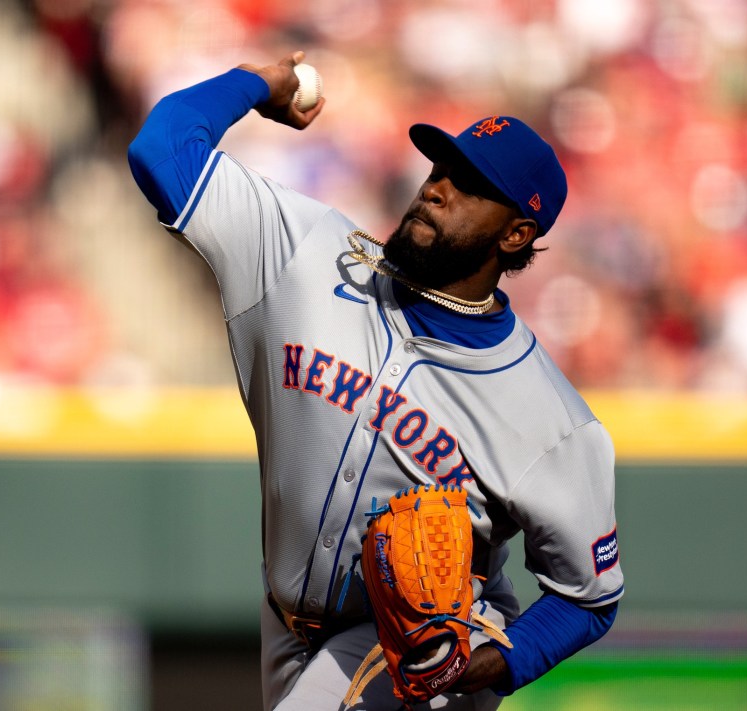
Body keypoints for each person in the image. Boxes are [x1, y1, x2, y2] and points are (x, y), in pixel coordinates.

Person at [128, 51, 623, 710]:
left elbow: (590, 597)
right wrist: (255, 84)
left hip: (418, 645)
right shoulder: (303, 252)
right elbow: (161, 148)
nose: (438, 187)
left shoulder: (549, 419)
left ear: (516, 234)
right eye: (441, 168)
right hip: (284, 619)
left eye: (470, 185)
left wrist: (484, 666)